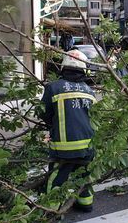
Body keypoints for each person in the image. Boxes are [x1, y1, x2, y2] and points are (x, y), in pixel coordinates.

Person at [40, 49, 97, 212]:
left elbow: (43, 113)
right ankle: (86, 204)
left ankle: (51, 209)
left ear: (63, 67)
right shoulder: (90, 91)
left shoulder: (53, 87)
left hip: (64, 149)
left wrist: (53, 124)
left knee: (56, 178)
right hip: (88, 146)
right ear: (84, 69)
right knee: (83, 176)